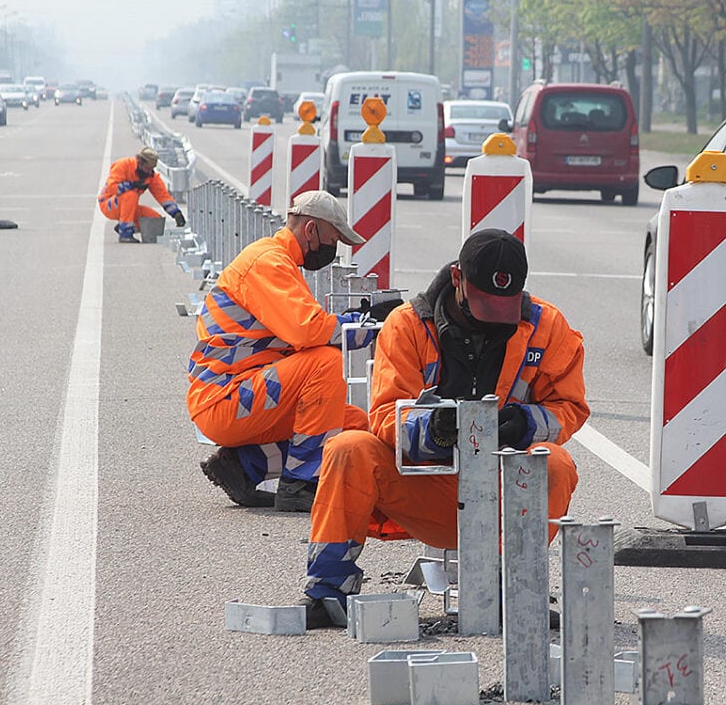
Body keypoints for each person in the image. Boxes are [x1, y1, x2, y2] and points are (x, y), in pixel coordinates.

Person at [300, 228, 589, 628]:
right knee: (347, 448)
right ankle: (328, 592)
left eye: (503, 310)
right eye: (484, 307)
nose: (494, 323)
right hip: (426, 489)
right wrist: (432, 431)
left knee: (553, 463)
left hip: (504, 492)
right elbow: (384, 415)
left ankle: (515, 589)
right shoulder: (407, 325)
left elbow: (569, 408)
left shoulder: (546, 326)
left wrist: (524, 424)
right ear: (458, 279)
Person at [186, 190, 400, 511]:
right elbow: (308, 331)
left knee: (354, 428)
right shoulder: (267, 262)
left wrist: (361, 320)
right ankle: (300, 483)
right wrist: (365, 324)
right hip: (224, 398)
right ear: (311, 230)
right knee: (326, 362)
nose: (334, 248)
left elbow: (310, 328)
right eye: (333, 239)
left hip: (244, 393)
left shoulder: (282, 262)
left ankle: (244, 467)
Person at [99, 146, 186, 243]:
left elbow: (163, 196)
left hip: (128, 207)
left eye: (151, 169)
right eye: (147, 168)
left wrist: (176, 213)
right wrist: (131, 185)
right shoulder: (123, 165)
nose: (149, 172)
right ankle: (125, 233)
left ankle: (123, 226)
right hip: (109, 204)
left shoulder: (150, 176)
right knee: (131, 195)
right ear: (140, 162)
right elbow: (111, 188)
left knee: (155, 221)